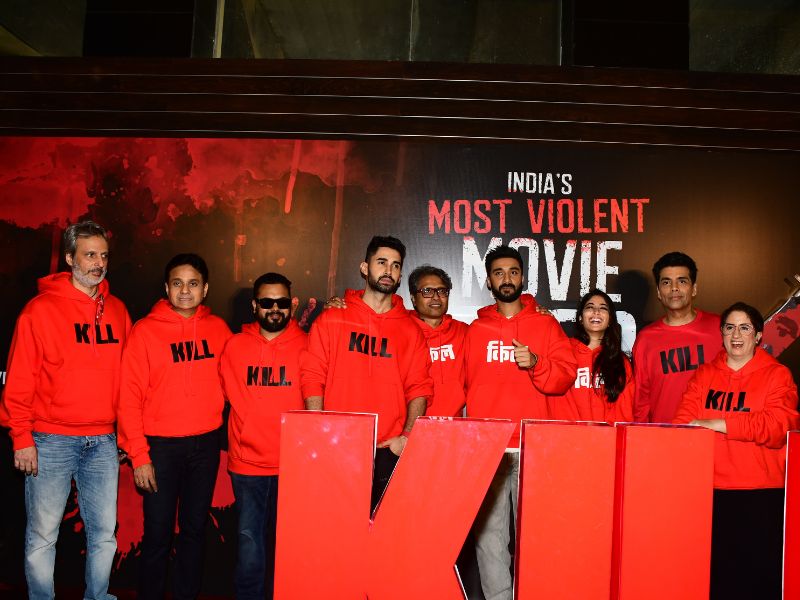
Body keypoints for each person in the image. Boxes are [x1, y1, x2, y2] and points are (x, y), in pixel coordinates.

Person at [0, 220, 131, 600]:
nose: (98, 263)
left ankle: (98, 596)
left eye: (103, 255)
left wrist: (125, 434)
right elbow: (20, 379)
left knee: (104, 534)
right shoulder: (38, 311)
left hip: (103, 441)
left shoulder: (118, 310)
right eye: (90, 255)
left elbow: (130, 381)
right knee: (43, 535)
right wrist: (21, 436)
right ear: (70, 258)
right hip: (50, 440)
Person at [464, 244, 577, 600]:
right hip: (490, 447)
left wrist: (537, 363)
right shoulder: (475, 330)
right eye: (499, 273)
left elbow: (565, 377)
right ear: (489, 281)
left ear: (523, 277)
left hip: (532, 445)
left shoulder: (545, 324)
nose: (507, 278)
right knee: (489, 538)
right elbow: (459, 384)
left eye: (513, 272)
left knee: (536, 535)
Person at [117, 253, 232, 600]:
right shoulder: (144, 331)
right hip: (160, 448)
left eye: (193, 283)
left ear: (205, 288)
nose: (185, 291)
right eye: (177, 283)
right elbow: (128, 398)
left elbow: (243, 367)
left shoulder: (219, 330)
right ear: (166, 288)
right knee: (158, 535)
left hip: (205, 445)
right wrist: (139, 456)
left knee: (194, 532)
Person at [673, 302, 799, 600]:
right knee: (715, 580)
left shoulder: (777, 375)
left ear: (758, 335)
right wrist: (734, 425)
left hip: (760, 494)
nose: (736, 335)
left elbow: (778, 426)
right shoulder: (704, 375)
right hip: (710, 492)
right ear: (722, 333)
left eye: (745, 328)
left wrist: (720, 424)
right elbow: (683, 425)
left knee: (757, 581)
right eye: (730, 327)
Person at [301, 235, 433, 511]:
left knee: (385, 534)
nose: (388, 271)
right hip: (337, 445)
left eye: (395, 265)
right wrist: (318, 431)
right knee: (338, 530)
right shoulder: (333, 318)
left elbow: (419, 388)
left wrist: (407, 438)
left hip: (388, 450)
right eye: (381, 262)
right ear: (364, 268)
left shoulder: (411, 331)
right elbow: (313, 376)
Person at [219, 272, 307, 600]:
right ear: (255, 306)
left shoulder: (309, 346)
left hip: (294, 467)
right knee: (249, 546)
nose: (275, 309)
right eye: (267, 302)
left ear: (292, 305)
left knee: (289, 549)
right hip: (248, 466)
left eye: (281, 302)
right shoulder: (234, 347)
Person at [633, 251, 722, 423]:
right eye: (666, 282)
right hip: (665, 435)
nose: (674, 288)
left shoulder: (719, 328)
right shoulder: (646, 339)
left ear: (694, 289)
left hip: (712, 433)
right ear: (659, 292)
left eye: (682, 281)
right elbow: (641, 400)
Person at [548, 289, 634, 424]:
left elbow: (624, 413)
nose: (596, 311)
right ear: (580, 318)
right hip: (566, 435)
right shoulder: (562, 350)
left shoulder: (621, 362)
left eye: (603, 308)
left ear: (610, 320)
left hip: (605, 436)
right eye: (590, 307)